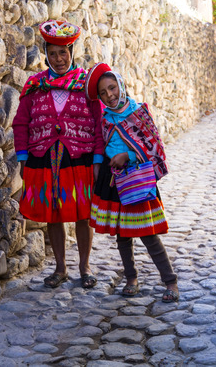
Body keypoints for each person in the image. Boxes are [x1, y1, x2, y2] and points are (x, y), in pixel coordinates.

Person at [12, 20, 104, 289]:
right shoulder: (35, 85)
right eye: (53, 53)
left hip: (80, 158)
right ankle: (60, 268)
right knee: (53, 214)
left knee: (83, 214)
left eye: (63, 52)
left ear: (72, 51)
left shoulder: (87, 84)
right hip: (44, 158)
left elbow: (99, 123)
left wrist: (98, 159)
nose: (59, 58)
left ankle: (85, 268)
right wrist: (22, 156)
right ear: (46, 54)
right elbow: (21, 123)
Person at [85, 63, 179, 302]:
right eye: (103, 93)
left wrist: (126, 155)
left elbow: (155, 147)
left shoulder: (139, 113)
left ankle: (170, 281)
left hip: (138, 178)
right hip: (114, 180)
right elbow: (100, 143)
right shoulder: (106, 118)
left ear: (121, 85)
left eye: (112, 88)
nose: (109, 96)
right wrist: (101, 163)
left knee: (148, 233)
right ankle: (131, 278)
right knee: (123, 235)